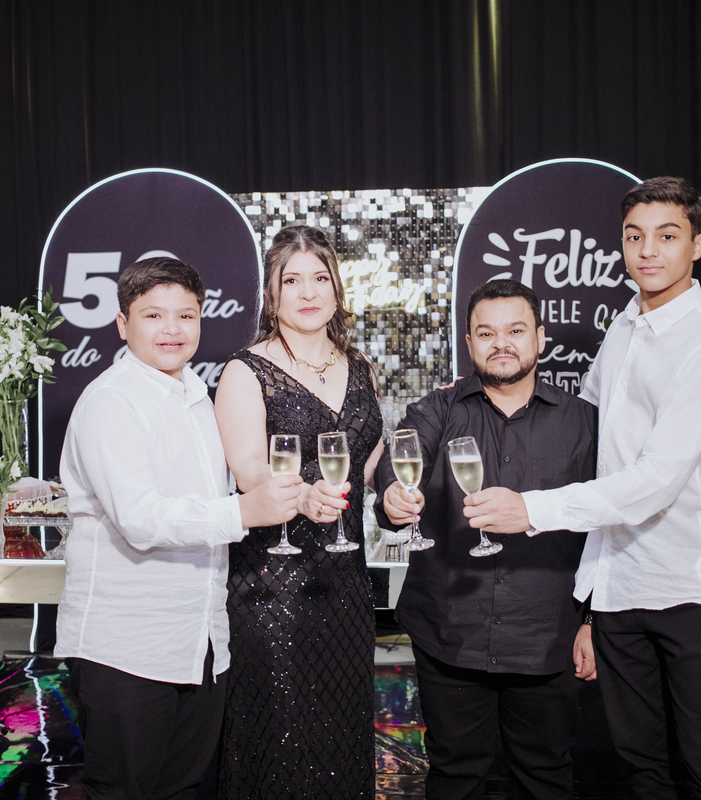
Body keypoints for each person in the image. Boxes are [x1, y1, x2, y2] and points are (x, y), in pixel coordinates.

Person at [473, 177, 701, 799]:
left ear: (697, 246)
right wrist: (589, 604)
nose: (648, 250)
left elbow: (654, 483)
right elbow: (588, 439)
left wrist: (531, 509)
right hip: (622, 588)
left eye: (667, 236)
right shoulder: (626, 326)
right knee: (642, 765)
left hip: (689, 590)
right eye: (634, 236)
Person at [55, 257, 302, 800]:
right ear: (123, 325)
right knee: (123, 791)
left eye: (186, 316)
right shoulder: (111, 401)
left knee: (184, 789)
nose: (172, 329)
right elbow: (140, 519)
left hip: (199, 643)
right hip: (127, 647)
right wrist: (244, 512)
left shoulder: (196, 397)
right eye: (153, 315)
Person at [374, 279, 598, 800]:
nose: (501, 343)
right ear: (470, 342)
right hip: (449, 631)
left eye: (515, 331)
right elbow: (399, 458)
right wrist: (392, 495)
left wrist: (593, 621)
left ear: (540, 337)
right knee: (455, 776)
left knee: (545, 777)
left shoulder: (584, 422)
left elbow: (607, 530)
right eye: (486, 332)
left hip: (547, 635)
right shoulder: (436, 410)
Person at [213, 225, 384, 800]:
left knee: (341, 739)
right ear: (271, 292)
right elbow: (249, 471)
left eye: (320, 278)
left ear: (337, 289)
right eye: (292, 281)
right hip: (273, 587)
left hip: (346, 584)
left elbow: (366, 463)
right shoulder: (246, 370)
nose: (308, 292)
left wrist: (395, 490)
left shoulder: (360, 366)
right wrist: (303, 495)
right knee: (279, 742)